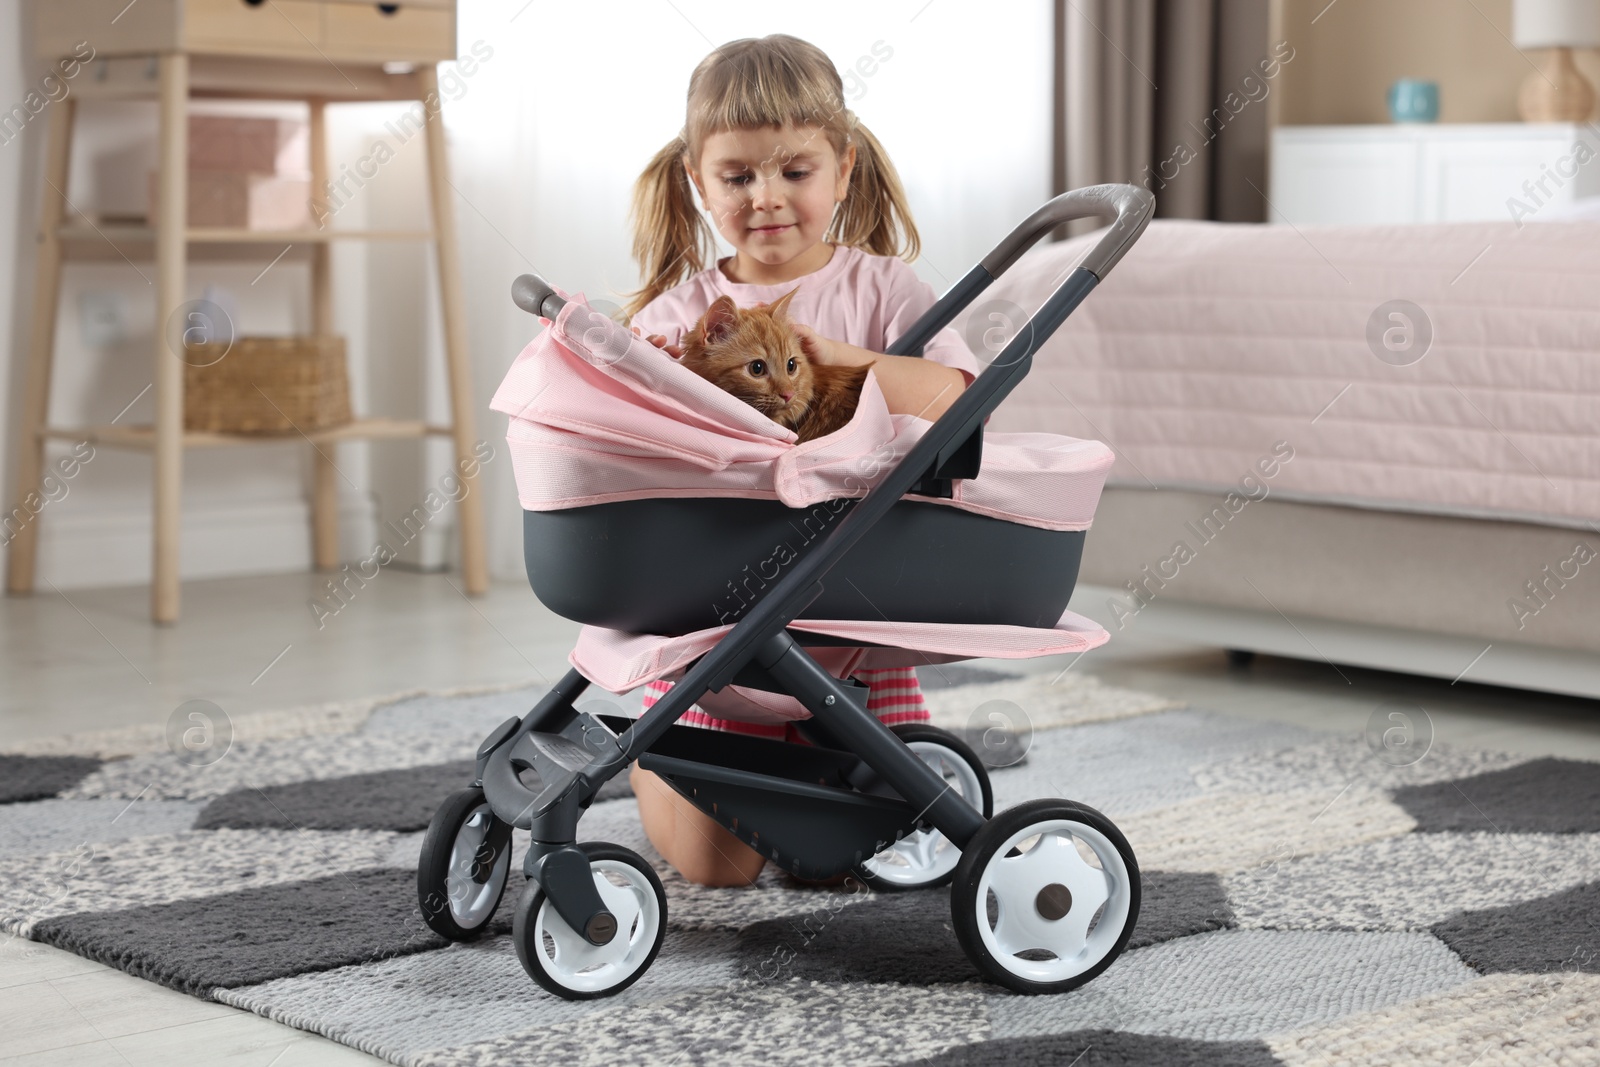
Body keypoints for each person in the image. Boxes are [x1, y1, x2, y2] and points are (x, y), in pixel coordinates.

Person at [619, 33, 983, 888]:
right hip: (725, 622)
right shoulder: (680, 314)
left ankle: (819, 747)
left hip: (857, 621)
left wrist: (837, 358)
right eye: (738, 176)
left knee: (868, 848)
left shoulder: (886, 291)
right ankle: (655, 740)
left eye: (795, 170)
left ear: (843, 168)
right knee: (721, 870)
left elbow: (958, 396)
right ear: (696, 182)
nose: (768, 198)